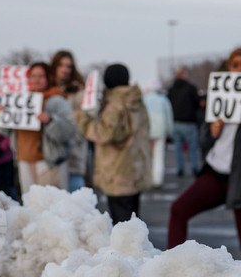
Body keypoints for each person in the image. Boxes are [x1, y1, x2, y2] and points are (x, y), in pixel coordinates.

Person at [167, 48, 241, 262]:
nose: (240, 70)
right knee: (178, 210)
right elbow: (204, 140)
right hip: (217, 173)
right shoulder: (219, 96)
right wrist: (213, 131)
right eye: (235, 65)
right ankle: (172, 268)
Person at [74, 64, 151, 224]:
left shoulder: (115, 104)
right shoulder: (135, 100)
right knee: (134, 222)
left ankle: (128, 250)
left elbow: (105, 133)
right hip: (136, 168)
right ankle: (139, 248)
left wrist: (82, 119)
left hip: (117, 171)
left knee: (123, 224)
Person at [0, 62, 77, 195]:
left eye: (41, 76)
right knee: (31, 204)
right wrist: (0, 116)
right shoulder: (20, 100)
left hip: (48, 162)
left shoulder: (57, 100)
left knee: (51, 204)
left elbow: (70, 131)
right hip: (24, 160)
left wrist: (51, 120)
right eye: (33, 76)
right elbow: (4, 131)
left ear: (49, 78)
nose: (36, 79)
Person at [51, 50, 90, 192]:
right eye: (61, 65)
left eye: (69, 66)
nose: (65, 69)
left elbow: (85, 119)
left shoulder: (79, 91)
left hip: (73, 154)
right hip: (51, 158)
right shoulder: (47, 89)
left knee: (77, 202)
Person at [167, 67, 202, 177]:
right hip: (189, 122)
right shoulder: (190, 88)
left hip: (176, 122)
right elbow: (197, 102)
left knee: (178, 149)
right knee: (192, 147)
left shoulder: (171, 90)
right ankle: (194, 168)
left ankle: (180, 169)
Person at [142, 79, 174, 188]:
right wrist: (170, 131)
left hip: (147, 132)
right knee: (159, 156)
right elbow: (169, 117)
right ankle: (157, 179)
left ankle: (148, 179)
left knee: (147, 156)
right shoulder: (163, 100)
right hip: (160, 132)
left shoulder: (144, 100)